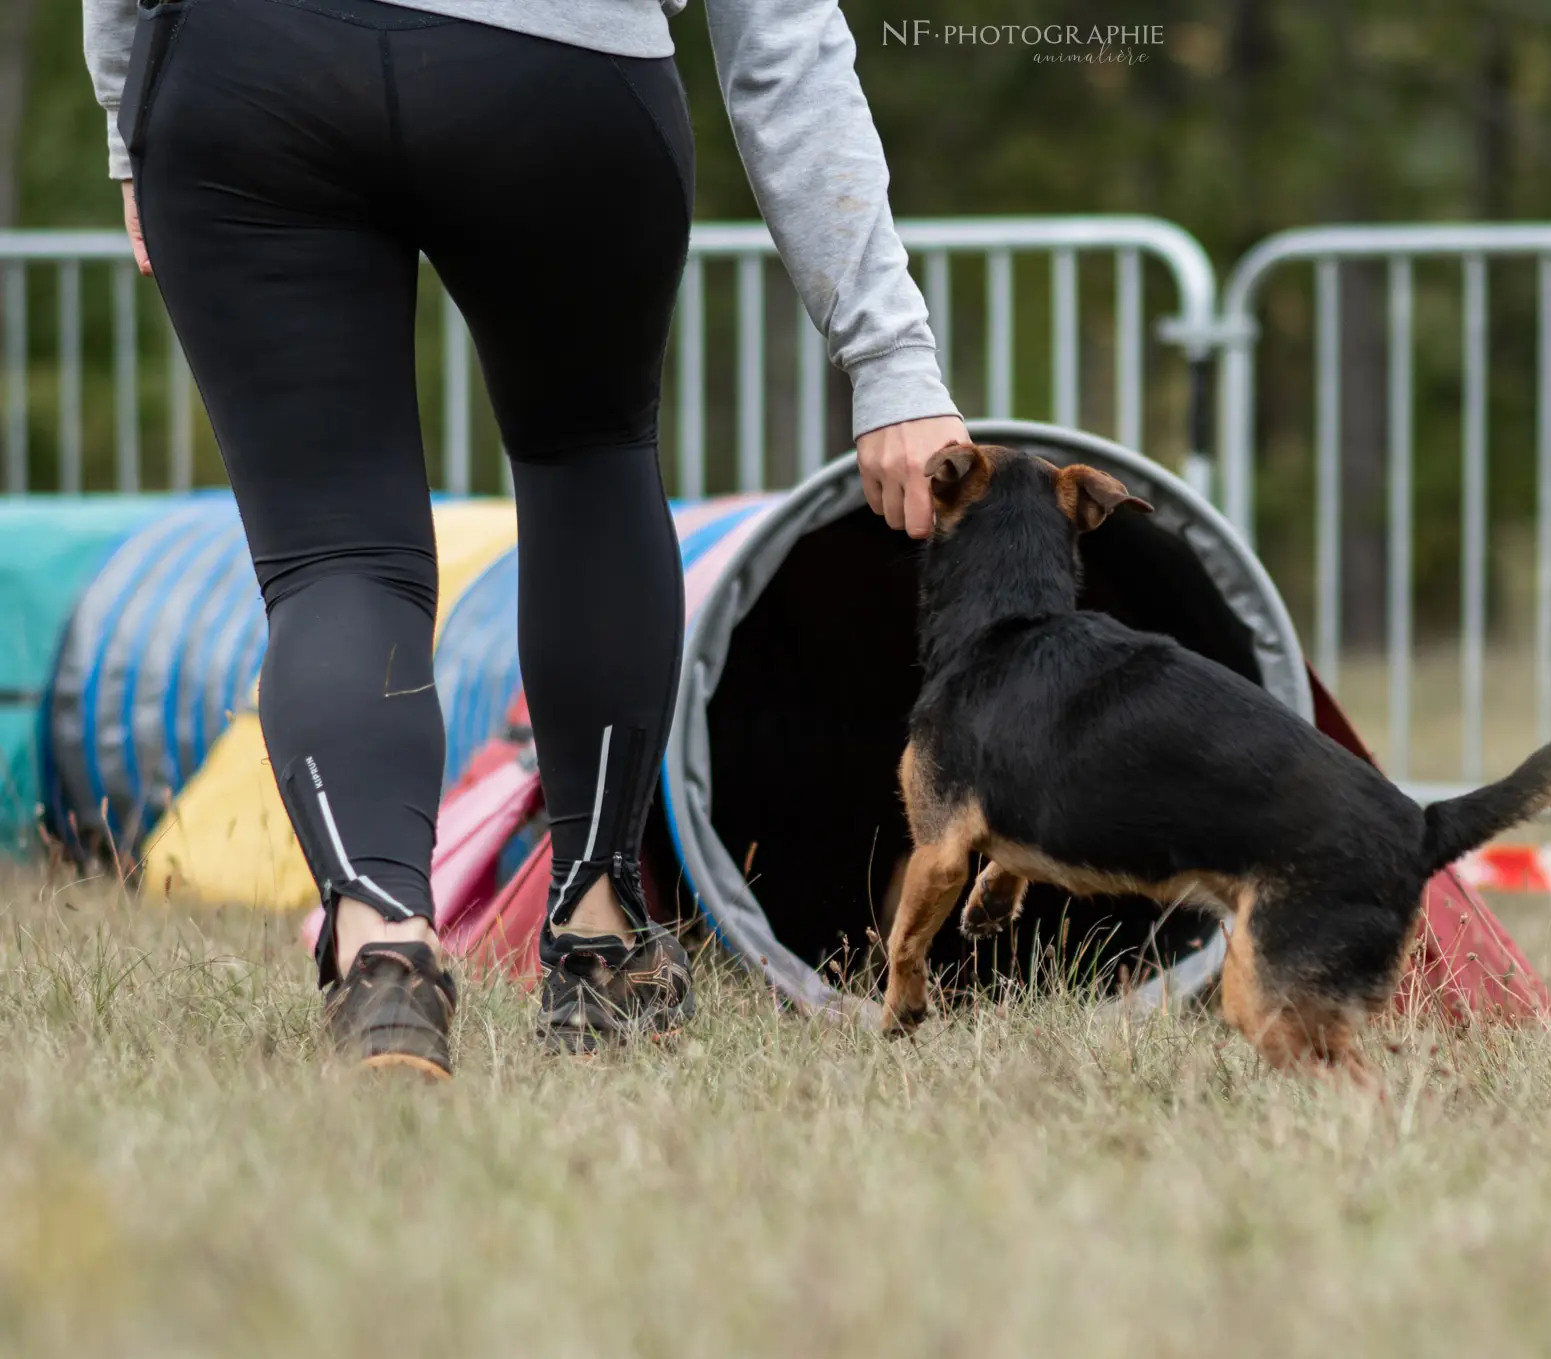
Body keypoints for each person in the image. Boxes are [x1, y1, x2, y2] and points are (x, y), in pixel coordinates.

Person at [82, 0, 969, 1076]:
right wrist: (889, 359)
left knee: (335, 557)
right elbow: (778, 30)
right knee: (586, 468)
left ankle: (383, 951)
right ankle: (596, 933)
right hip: (558, 72)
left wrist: (133, 106)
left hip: (248, 66)